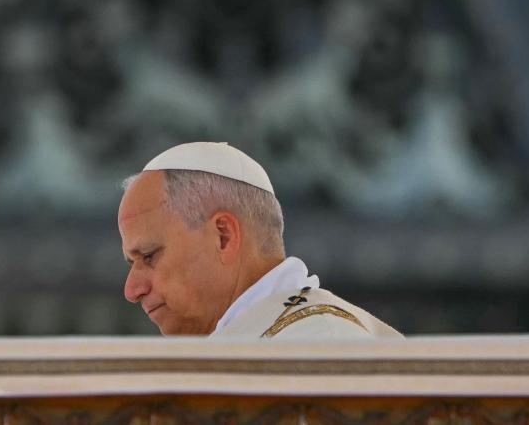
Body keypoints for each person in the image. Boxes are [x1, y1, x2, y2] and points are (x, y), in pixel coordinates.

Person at [118, 142, 402, 339]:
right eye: (132, 263)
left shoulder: (324, 350)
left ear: (224, 237)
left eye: (149, 256)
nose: (132, 291)